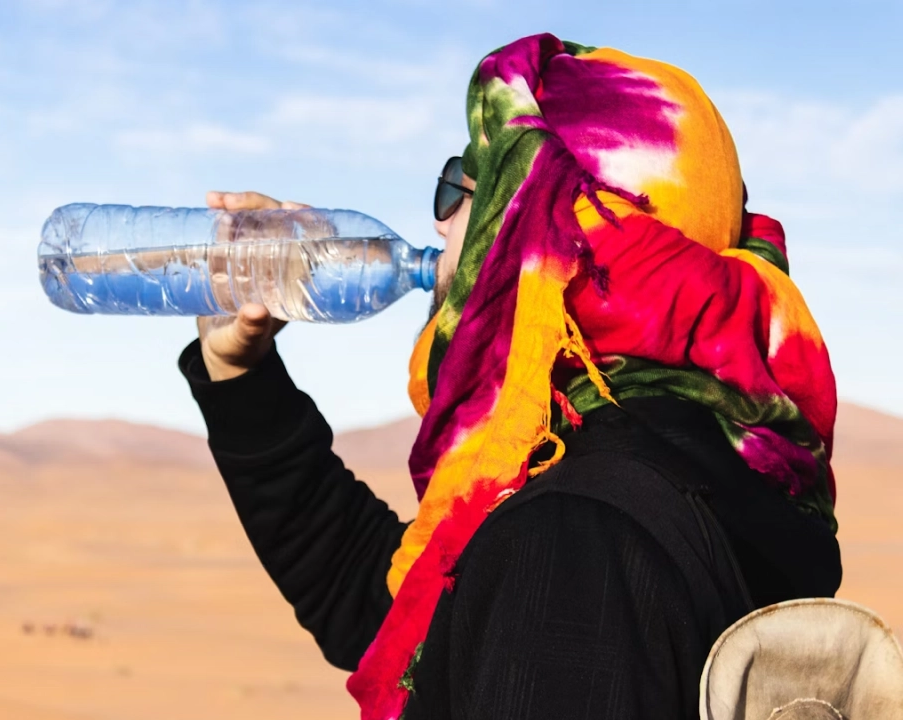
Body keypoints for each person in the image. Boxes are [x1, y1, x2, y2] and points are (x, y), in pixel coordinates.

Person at [178, 34, 842, 720]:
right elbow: (387, 609)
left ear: (539, 215)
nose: (440, 227)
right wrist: (241, 375)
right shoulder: (694, 464)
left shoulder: (577, 541)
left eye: (467, 185)